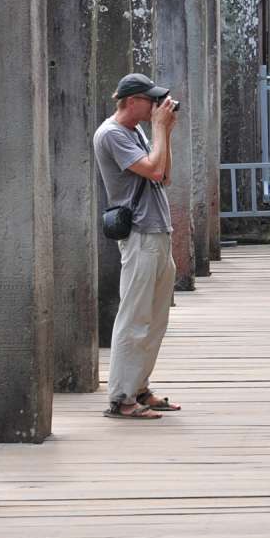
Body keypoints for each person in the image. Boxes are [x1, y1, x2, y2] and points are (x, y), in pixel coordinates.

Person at [93, 73, 184, 420]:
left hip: (158, 231)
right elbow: (150, 168)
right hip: (141, 234)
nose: (158, 106)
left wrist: (166, 132)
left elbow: (163, 174)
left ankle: (140, 388)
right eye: (151, 101)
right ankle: (120, 397)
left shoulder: (136, 131)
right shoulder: (112, 134)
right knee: (134, 317)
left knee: (155, 318)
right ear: (132, 101)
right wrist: (161, 130)